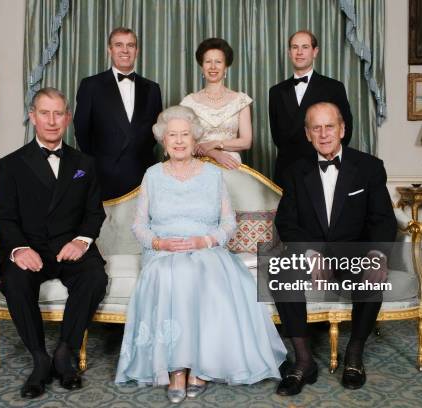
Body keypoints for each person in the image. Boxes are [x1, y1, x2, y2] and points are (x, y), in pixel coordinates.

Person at [115, 106, 286, 403]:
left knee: (202, 273)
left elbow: (228, 224)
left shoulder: (212, 174)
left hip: (205, 247)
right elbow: (139, 225)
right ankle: (177, 369)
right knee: (175, 274)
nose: (179, 141)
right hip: (163, 250)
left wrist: (203, 240)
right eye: (172, 135)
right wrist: (160, 244)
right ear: (163, 140)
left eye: (185, 135)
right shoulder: (152, 175)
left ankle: (200, 366)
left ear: (195, 140)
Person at [0, 88, 108, 399]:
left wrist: (82, 241)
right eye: (45, 113)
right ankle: (40, 358)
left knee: (95, 277)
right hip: (29, 247)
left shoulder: (85, 163)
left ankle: (64, 351)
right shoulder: (12, 163)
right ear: (33, 117)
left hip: (69, 245)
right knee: (15, 281)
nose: (52, 121)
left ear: (68, 118)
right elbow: (3, 217)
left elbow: (94, 212)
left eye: (59, 113)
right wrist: (18, 249)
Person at [273, 102, 396, 394]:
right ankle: (304, 361)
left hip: (354, 251)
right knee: (280, 274)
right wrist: (311, 253)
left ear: (342, 129)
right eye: (316, 128)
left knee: (373, 273)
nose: (324, 134)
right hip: (313, 252)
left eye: (330, 126)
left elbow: (382, 219)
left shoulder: (369, 167)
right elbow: (287, 223)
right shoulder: (294, 171)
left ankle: (354, 355)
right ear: (307, 134)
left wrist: (378, 254)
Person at [74, 27, 162, 200]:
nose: (125, 50)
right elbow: (82, 130)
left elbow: (156, 132)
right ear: (110, 49)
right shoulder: (91, 85)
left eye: (130, 45)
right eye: (119, 45)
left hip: (143, 174)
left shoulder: (152, 88)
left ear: (137, 51)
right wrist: (102, 162)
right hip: (104, 175)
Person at [269, 30, 353, 187]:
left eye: (305, 47)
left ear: (315, 52)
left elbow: (345, 131)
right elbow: (277, 136)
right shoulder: (276, 91)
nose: (299, 52)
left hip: (322, 167)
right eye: (295, 47)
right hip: (287, 170)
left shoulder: (334, 88)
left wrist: (326, 158)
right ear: (289, 52)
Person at [180, 38, 252, 169]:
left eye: (218, 62)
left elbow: (246, 142)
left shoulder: (240, 100)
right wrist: (213, 154)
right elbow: (184, 141)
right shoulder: (188, 103)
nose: (213, 67)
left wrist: (216, 143)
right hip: (198, 166)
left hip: (231, 164)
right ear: (202, 66)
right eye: (208, 62)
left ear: (226, 67)